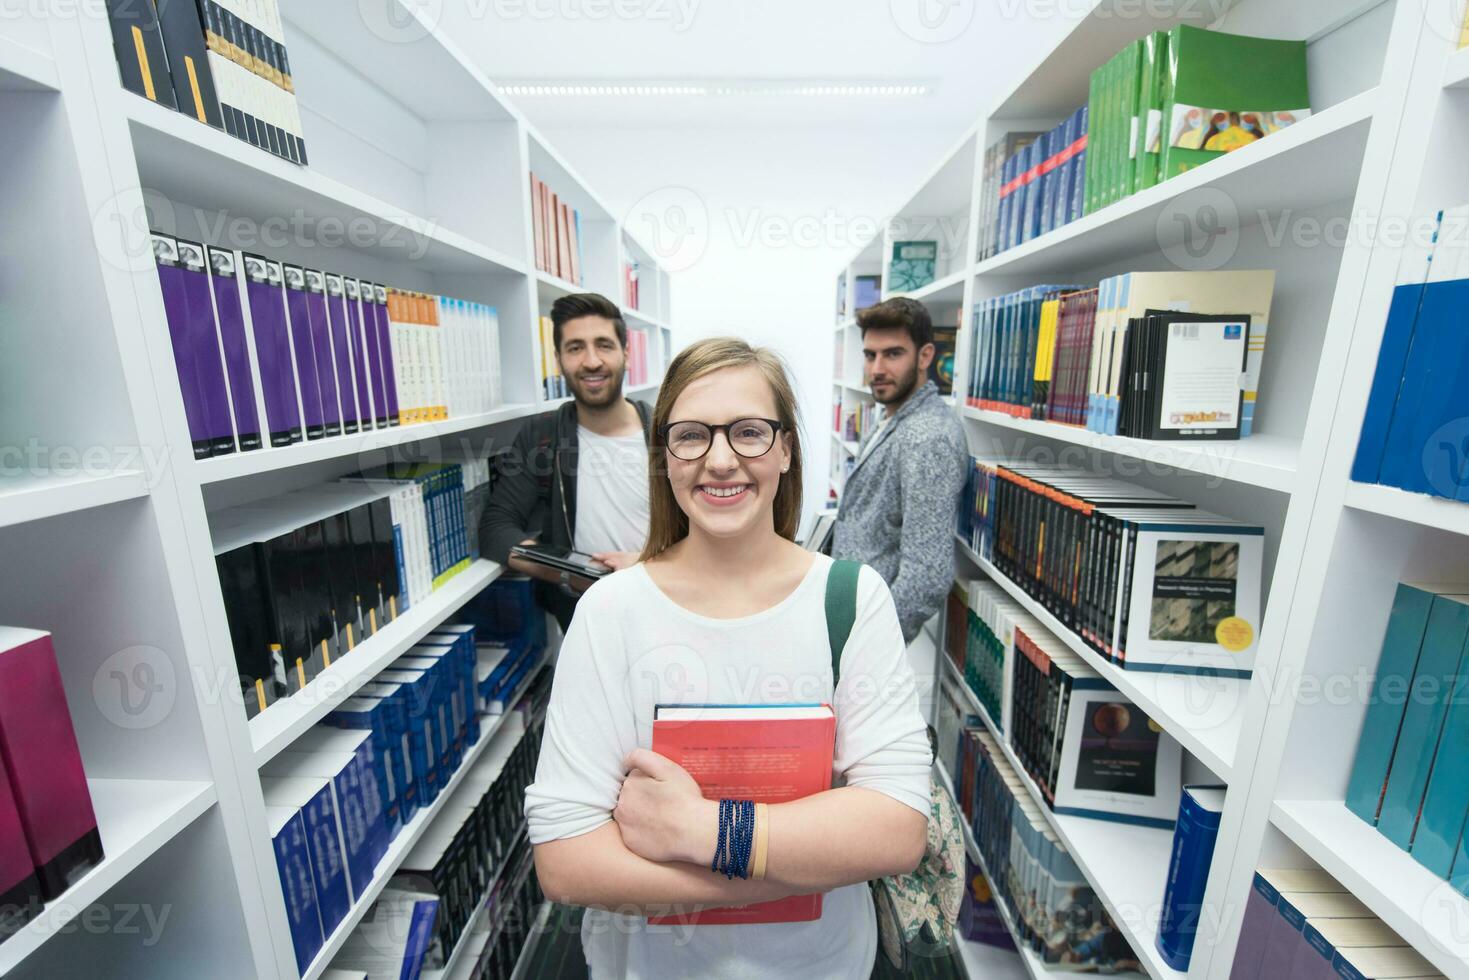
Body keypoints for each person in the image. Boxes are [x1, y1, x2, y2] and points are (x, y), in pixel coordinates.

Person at [524, 337, 931, 979]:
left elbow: (898, 829)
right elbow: (568, 860)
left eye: (748, 432)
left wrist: (700, 831)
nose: (719, 461)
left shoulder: (850, 599)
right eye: (691, 436)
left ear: (787, 449)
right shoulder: (612, 612)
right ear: (664, 458)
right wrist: (797, 868)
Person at [479, 292, 653, 631]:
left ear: (626, 355)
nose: (591, 361)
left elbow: (708, 536)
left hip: (664, 607)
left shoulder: (670, 434)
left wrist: (650, 564)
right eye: (575, 348)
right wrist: (574, 575)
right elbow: (496, 531)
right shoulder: (540, 436)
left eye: (604, 345)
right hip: (584, 620)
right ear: (559, 360)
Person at [832, 296, 968, 644]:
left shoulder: (928, 437)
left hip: (867, 635)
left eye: (893, 354)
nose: (876, 368)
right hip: (851, 611)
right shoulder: (891, 413)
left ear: (925, 357)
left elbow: (928, 573)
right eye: (870, 355)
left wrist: (874, 647)